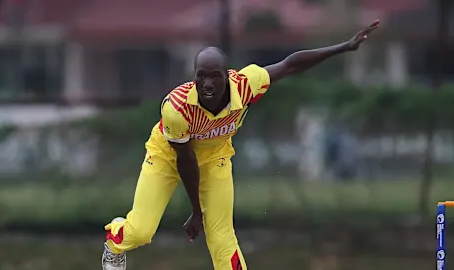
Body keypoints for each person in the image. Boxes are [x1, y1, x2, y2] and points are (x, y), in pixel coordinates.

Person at [102, 20, 380, 270]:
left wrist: (344, 47)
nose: (208, 84)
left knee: (222, 236)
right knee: (141, 232)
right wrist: (197, 212)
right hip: (168, 156)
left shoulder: (246, 84)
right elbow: (185, 161)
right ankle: (114, 243)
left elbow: (290, 64)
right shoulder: (177, 108)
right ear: (194, 76)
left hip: (215, 157)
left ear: (228, 75)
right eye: (201, 76)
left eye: (215, 76)